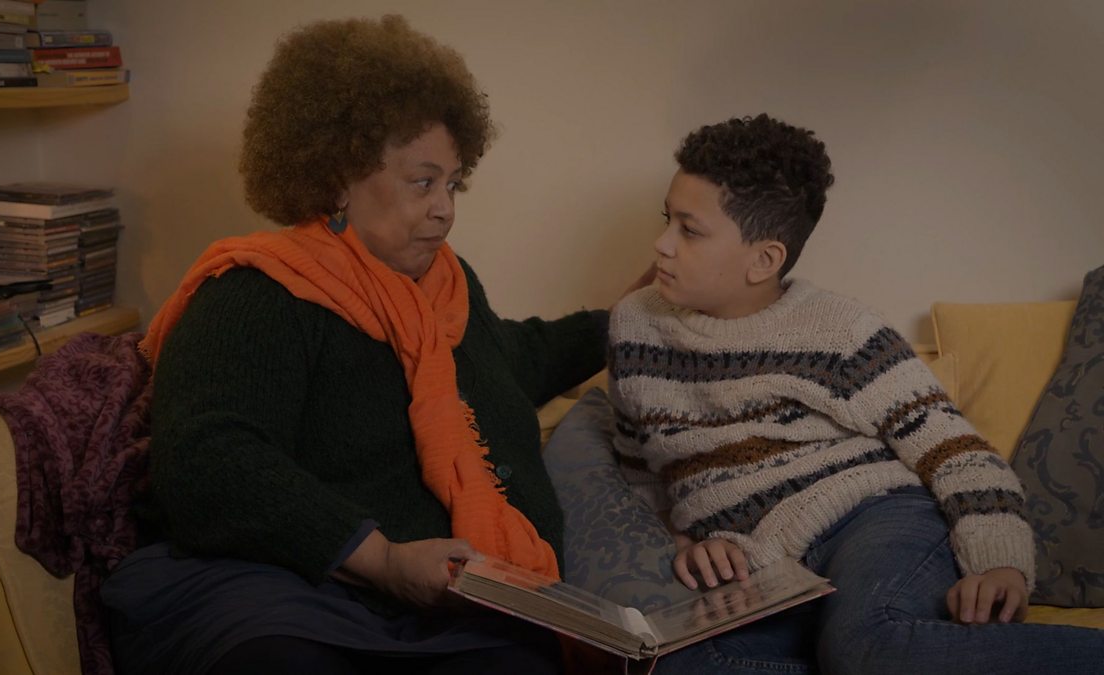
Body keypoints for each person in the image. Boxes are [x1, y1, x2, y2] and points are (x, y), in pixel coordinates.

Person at [100, 15, 647, 675]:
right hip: (293, 590)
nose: (445, 208)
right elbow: (209, 460)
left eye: (453, 183)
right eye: (423, 182)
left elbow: (510, 359)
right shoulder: (255, 292)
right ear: (339, 177)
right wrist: (382, 559)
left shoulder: (448, 288)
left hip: (448, 609)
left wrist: (626, 320)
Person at [607, 114, 1103, 674]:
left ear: (764, 260)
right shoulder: (634, 325)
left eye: (689, 230)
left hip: (876, 520)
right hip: (767, 571)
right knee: (672, 665)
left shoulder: (840, 331)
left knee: (864, 645)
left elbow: (954, 449)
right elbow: (640, 469)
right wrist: (681, 539)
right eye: (667, 219)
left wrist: (1000, 561)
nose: (661, 245)